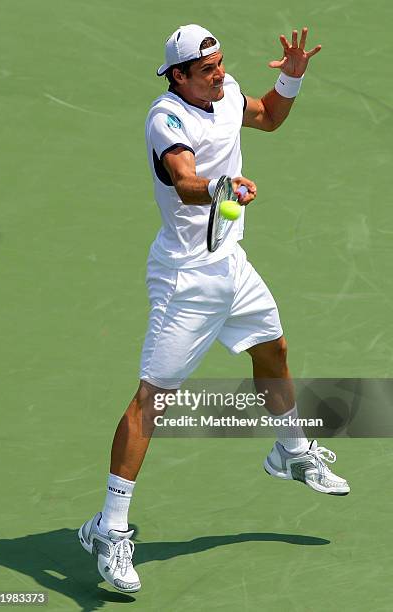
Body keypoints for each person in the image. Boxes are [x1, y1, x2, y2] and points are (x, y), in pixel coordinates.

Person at [78, 24, 350, 594]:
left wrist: (292, 77)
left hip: (231, 263)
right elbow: (184, 181)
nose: (219, 74)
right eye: (206, 69)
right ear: (178, 76)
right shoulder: (166, 119)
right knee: (153, 398)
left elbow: (267, 116)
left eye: (220, 63)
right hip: (186, 279)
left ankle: (292, 453)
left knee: (272, 349)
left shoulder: (225, 93)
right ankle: (110, 526)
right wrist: (224, 187)